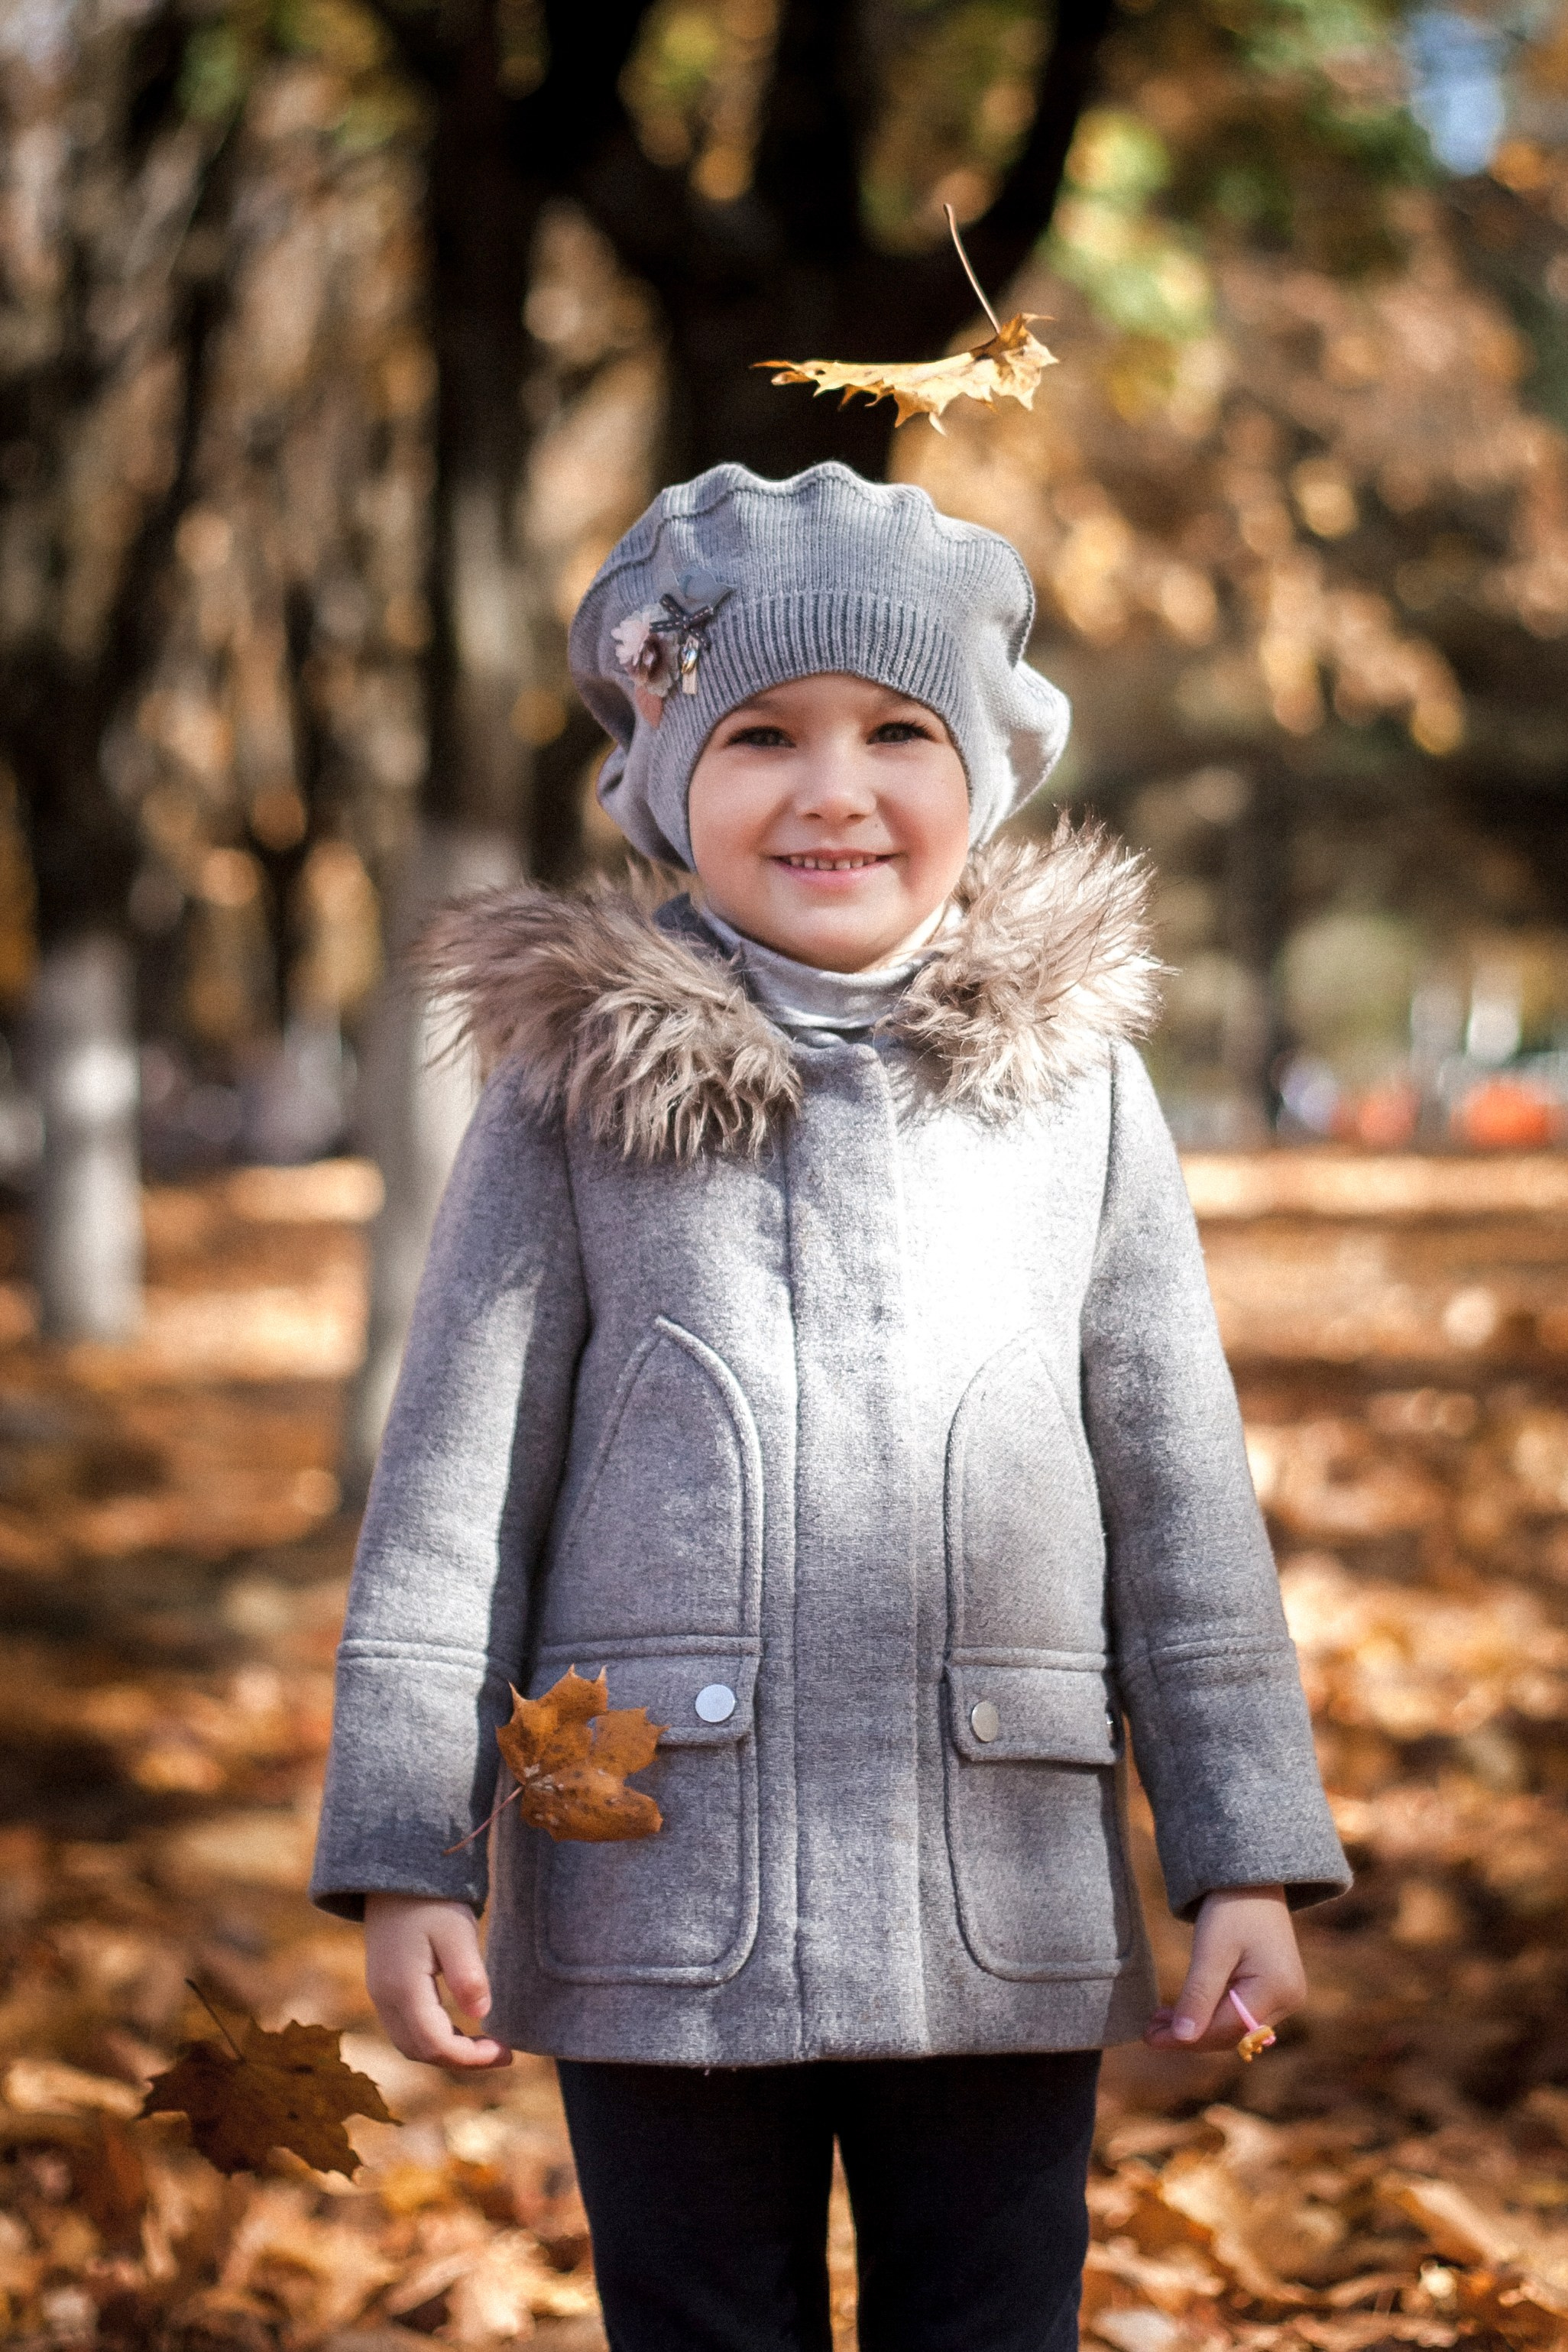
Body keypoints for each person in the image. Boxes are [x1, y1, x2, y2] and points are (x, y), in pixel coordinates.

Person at [311, 462, 1349, 2352]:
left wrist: (1244, 1844)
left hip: (1000, 1883)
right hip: (662, 1889)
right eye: (764, 735)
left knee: (993, 2319)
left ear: (987, 773)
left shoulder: (1078, 1096)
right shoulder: (571, 1090)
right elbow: (458, 1487)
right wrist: (404, 1844)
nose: (836, 789)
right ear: (663, 778)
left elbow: (1179, 1484)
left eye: (897, 731)